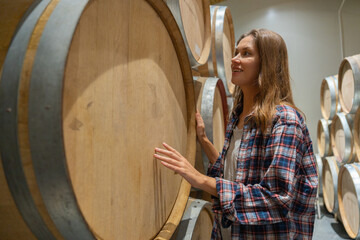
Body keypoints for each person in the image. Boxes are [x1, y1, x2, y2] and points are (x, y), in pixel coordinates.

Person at [154, 28, 318, 239]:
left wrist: (199, 179)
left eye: (246, 53)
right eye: (235, 52)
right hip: (231, 232)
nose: (234, 59)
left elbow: (276, 199)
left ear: (266, 64)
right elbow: (233, 174)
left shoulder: (285, 120)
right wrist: (203, 140)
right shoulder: (239, 115)